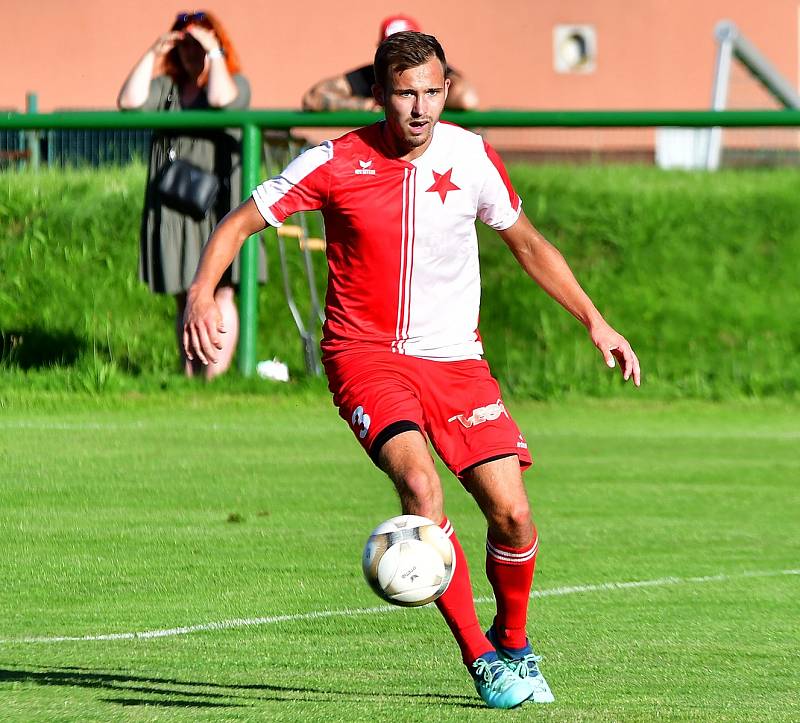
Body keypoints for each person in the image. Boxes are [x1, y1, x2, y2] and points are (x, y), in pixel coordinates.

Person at [184, 31, 640, 709]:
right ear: (380, 96)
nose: (420, 107)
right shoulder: (335, 160)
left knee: (512, 514)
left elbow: (528, 242)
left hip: (456, 360)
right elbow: (239, 224)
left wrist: (595, 320)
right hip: (365, 357)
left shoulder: (471, 156)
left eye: (431, 91)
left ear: (447, 90)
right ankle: (483, 661)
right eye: (405, 93)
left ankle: (514, 641)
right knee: (422, 490)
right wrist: (200, 291)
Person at [118, 10, 265, 378]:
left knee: (222, 291)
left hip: (220, 205)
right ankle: (190, 376)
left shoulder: (236, 82)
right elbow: (129, 101)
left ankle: (212, 377)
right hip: (175, 205)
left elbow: (219, 99)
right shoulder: (167, 88)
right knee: (184, 293)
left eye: (195, 45)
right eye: (182, 45)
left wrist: (212, 52)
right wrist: (154, 52)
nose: (188, 53)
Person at [301, 14, 479, 111]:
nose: (402, 57)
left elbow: (467, 99)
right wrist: (366, 105)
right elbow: (313, 98)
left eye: (411, 49)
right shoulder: (372, 74)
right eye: (392, 50)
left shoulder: (437, 71)